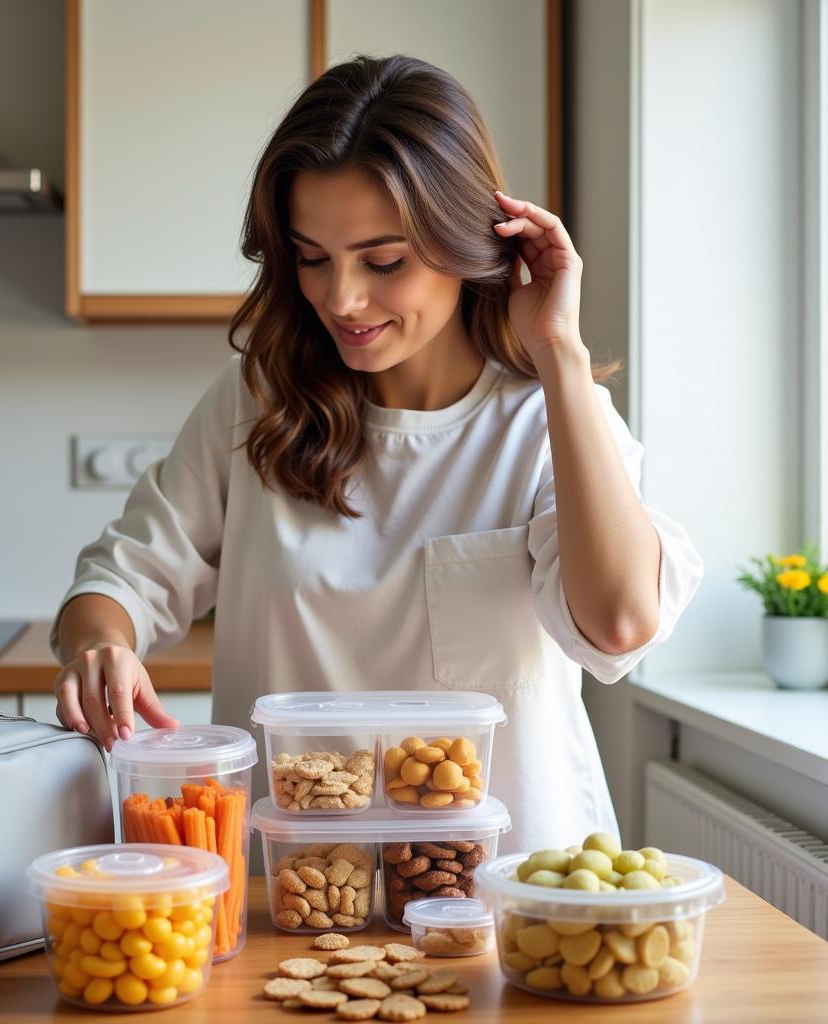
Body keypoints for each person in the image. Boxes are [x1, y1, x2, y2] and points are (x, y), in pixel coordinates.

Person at [48, 54, 702, 853]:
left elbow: (621, 625)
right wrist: (100, 647)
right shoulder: (255, 401)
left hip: (508, 906)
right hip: (296, 900)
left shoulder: (548, 422)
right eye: (312, 257)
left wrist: (558, 351)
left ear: (467, 241)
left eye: (384, 261)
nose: (342, 298)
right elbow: (118, 582)